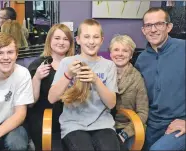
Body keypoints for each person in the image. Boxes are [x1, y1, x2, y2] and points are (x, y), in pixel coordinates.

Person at [48, 19, 124, 151]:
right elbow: (51, 98)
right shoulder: (67, 63)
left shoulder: (109, 65)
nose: (91, 41)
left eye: (96, 37)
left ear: (102, 40)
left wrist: (96, 80)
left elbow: (111, 104)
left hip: (103, 125)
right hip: (73, 126)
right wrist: (68, 75)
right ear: (78, 40)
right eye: (86, 37)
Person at [135, 7, 186, 150]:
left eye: (159, 24)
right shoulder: (141, 60)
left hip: (180, 122)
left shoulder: (183, 49)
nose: (153, 29)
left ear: (169, 27)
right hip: (152, 124)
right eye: (148, 25)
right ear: (143, 30)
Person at [25, 24, 75, 151]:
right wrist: (36, 78)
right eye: (57, 38)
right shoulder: (38, 65)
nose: (61, 42)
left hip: (71, 115)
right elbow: (31, 103)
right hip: (43, 117)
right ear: (49, 40)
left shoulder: (75, 64)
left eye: (65, 39)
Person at [109, 34, 149, 149]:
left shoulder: (137, 78)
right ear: (111, 53)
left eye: (125, 51)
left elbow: (143, 112)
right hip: (104, 125)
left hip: (128, 126)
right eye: (116, 50)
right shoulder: (103, 72)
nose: (120, 54)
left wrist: (125, 134)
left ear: (131, 55)